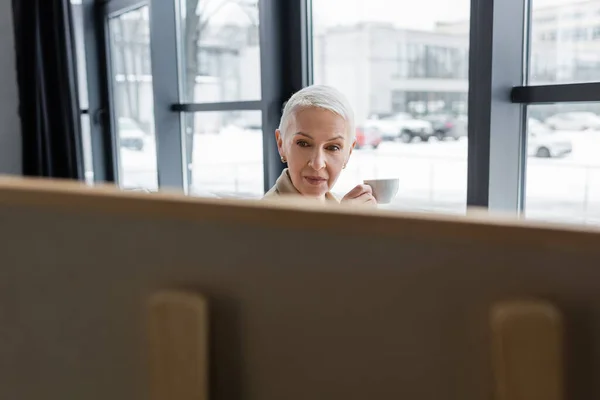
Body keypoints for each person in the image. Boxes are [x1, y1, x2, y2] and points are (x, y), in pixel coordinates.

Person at [264, 85, 377, 206]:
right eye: (303, 144)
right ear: (281, 144)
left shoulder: (341, 207)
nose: (317, 164)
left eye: (333, 147)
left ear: (349, 152)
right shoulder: (260, 218)